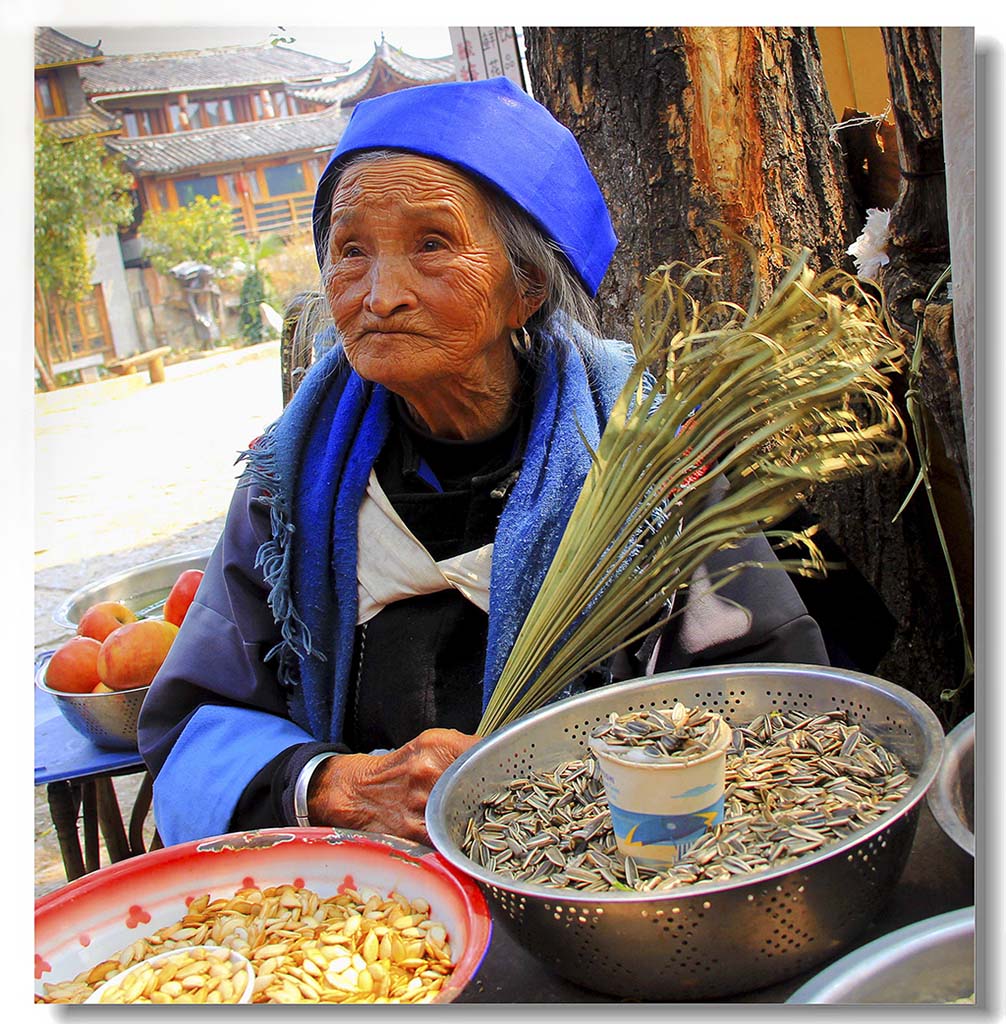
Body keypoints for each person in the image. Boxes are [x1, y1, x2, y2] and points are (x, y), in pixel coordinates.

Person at [138, 77, 827, 848]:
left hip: (619, 874)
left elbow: (774, 704)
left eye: (431, 245)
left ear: (526, 287)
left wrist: (560, 783)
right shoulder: (289, 488)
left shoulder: (644, 467)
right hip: (369, 913)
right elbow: (187, 734)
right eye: (350, 251)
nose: (381, 294)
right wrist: (332, 786)